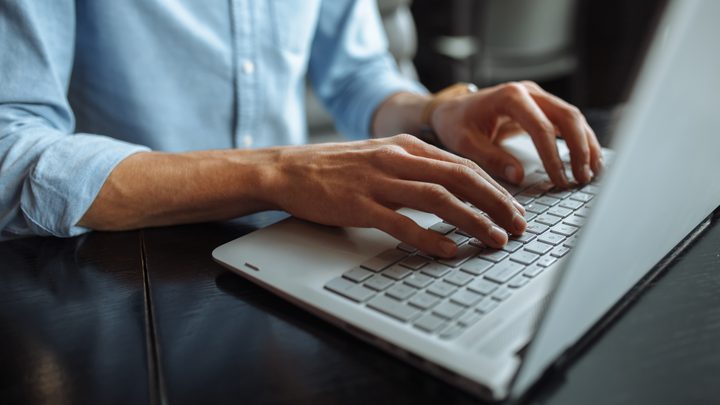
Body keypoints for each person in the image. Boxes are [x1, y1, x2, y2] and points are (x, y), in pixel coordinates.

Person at [0, 0, 602, 257]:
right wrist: (278, 172)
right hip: (121, 262)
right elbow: (11, 151)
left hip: (287, 243)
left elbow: (357, 76)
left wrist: (435, 112)